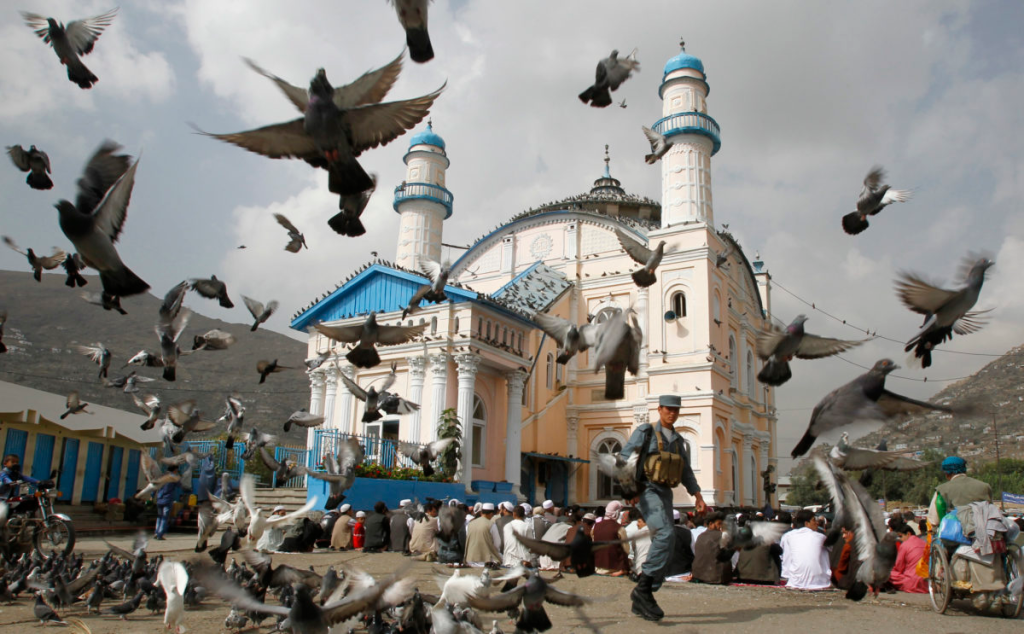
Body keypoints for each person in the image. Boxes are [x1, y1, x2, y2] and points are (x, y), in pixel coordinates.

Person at [620, 395, 706, 621]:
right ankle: (643, 588)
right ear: (659, 409)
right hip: (647, 490)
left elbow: (686, 470)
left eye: (676, 409)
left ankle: (645, 592)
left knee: (670, 542)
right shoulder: (645, 431)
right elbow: (624, 457)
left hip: (665, 493)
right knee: (665, 534)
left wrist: (697, 495)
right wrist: (630, 489)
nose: (672, 413)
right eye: (668, 409)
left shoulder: (678, 440)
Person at [779, 510, 831, 590]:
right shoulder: (820, 537)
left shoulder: (788, 536)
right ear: (806, 523)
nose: (816, 523)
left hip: (795, 581)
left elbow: (785, 557)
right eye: (814, 520)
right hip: (819, 582)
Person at [691, 512, 734, 585]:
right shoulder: (722, 536)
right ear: (711, 524)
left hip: (698, 576)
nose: (721, 527)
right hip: (716, 578)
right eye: (719, 524)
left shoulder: (700, 536)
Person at [592, 501, 630, 576]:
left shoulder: (595, 526)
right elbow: (626, 549)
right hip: (614, 568)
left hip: (597, 566)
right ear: (616, 513)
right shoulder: (619, 528)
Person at [890, 523, 928, 593]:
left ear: (908, 534)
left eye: (900, 536)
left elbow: (899, 567)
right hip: (926, 583)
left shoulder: (905, 545)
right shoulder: (924, 543)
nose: (900, 539)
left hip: (912, 581)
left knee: (889, 573)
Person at [154, 464, 181, 541]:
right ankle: (160, 534)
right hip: (167, 499)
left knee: (159, 516)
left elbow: (155, 485)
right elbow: (179, 485)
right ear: (175, 469)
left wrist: (153, 495)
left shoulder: (161, 476)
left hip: (159, 498)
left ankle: (156, 532)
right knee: (164, 517)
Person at [666, 510, 694, 577]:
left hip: (666, 574)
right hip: (684, 573)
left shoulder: (661, 533)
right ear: (679, 520)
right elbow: (693, 551)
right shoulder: (688, 532)